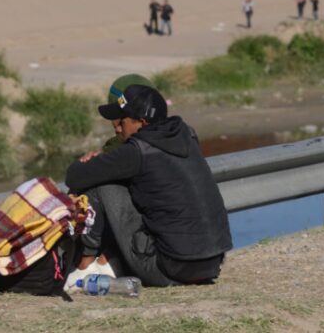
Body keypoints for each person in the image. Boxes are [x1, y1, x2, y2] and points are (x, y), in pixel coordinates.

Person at [64, 85, 231, 288]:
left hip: (169, 268)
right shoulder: (187, 135)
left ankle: (84, 268)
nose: (117, 128)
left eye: (122, 122)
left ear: (142, 123)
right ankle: (107, 262)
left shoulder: (137, 151)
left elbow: (74, 177)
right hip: (212, 263)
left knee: (100, 185)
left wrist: (87, 162)